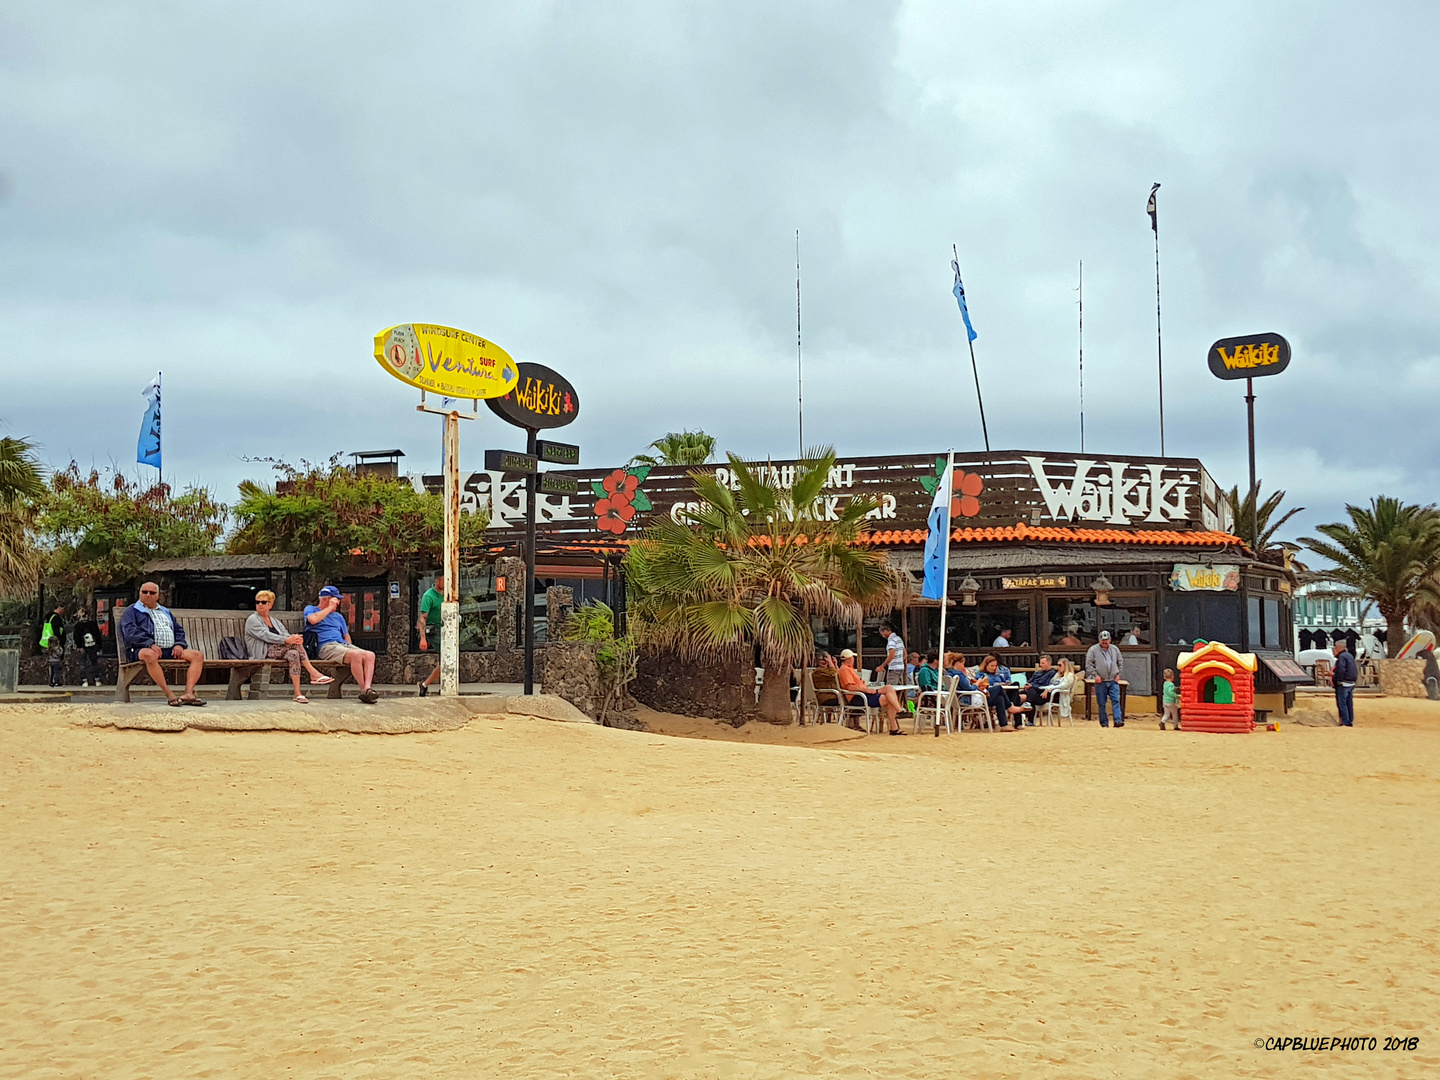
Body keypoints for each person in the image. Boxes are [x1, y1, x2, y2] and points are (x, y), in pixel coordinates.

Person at [118, 582, 206, 706]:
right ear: (140, 593)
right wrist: (149, 644)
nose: (148, 595)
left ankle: (188, 693)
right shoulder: (132, 611)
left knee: (197, 655)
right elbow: (130, 632)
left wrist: (179, 644)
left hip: (169, 649)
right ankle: (169, 694)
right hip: (141, 649)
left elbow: (178, 630)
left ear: (158, 595)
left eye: (152, 593)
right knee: (149, 655)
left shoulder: (165, 611)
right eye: (144, 592)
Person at [245, 590, 333, 703]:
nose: (260, 605)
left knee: (294, 654)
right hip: (263, 652)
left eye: (263, 602)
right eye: (257, 602)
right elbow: (266, 635)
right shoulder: (253, 619)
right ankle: (313, 673)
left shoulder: (274, 621)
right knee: (296, 645)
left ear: (270, 604)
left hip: (279, 651)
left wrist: (294, 638)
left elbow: (285, 633)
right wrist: (288, 640)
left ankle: (297, 694)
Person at [306, 585, 378, 703]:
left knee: (370, 655)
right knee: (356, 655)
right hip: (326, 646)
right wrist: (329, 607)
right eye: (336, 600)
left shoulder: (338, 616)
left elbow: (346, 635)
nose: (338, 603)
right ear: (325, 599)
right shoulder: (311, 609)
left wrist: (348, 648)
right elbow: (313, 620)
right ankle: (363, 690)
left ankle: (368, 688)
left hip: (341, 645)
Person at [837, 648, 905, 734]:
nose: (853, 659)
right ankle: (896, 718)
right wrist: (866, 690)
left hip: (863, 693)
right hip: (858, 696)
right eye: (852, 658)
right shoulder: (844, 669)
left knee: (889, 689)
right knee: (890, 698)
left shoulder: (848, 668)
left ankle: (896, 717)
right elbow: (850, 687)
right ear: (849, 658)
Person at [1085, 630, 1124, 727]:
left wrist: (1119, 674)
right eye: (1102, 640)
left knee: (1116, 700)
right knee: (1101, 703)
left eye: (1106, 640)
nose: (1104, 642)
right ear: (1099, 640)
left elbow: (1120, 662)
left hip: (1113, 680)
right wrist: (1095, 675)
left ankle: (1117, 720)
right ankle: (1104, 723)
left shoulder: (1115, 649)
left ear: (1110, 640)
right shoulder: (1093, 650)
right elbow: (1089, 664)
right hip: (1100, 681)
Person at [416, 574, 445, 697]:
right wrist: (423, 638)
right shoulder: (429, 596)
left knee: (448, 659)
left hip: (447, 628)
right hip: (435, 630)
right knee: (446, 659)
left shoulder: (448, 593)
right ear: (437, 581)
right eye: (443, 580)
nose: (445, 583)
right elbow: (422, 618)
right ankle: (427, 684)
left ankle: (426, 685)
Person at [1015, 654, 1059, 722]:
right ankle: (1021, 719)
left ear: (1049, 663)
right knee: (1017, 695)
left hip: (1042, 695)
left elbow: (1047, 686)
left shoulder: (1053, 674)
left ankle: (1029, 719)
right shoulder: (1037, 673)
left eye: (1043, 663)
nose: (1040, 665)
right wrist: (1027, 685)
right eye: (1040, 663)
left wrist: (1032, 686)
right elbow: (1030, 681)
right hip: (1031, 692)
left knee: (1031, 694)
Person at [72, 606, 103, 687]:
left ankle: (86, 679)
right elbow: (97, 635)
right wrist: (99, 646)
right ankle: (95, 679)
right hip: (91, 646)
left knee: (85, 664)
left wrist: (79, 646)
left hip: (88, 646)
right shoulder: (91, 624)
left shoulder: (79, 626)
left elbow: (76, 636)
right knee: (92, 663)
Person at [1330, 639, 1357, 727]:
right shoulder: (1350, 655)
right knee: (1349, 703)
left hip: (1344, 683)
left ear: (1338, 647)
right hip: (1351, 682)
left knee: (1342, 703)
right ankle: (1350, 720)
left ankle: (1345, 721)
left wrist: (1336, 678)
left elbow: (1341, 670)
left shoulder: (1342, 657)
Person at [40, 603, 66, 686]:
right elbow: (58, 631)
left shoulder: (48, 618)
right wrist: (60, 641)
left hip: (47, 643)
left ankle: (51, 680)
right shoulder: (56, 618)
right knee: (57, 667)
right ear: (59, 608)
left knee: (51, 666)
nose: (64, 611)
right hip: (54, 643)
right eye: (63, 609)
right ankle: (55, 681)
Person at [878, 622, 906, 686]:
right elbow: (905, 653)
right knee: (898, 687)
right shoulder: (899, 639)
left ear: (885, 631)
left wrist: (882, 666)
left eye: (881, 633)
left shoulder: (891, 640)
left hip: (894, 668)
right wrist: (900, 661)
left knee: (890, 688)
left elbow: (891, 654)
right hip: (900, 667)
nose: (882, 635)